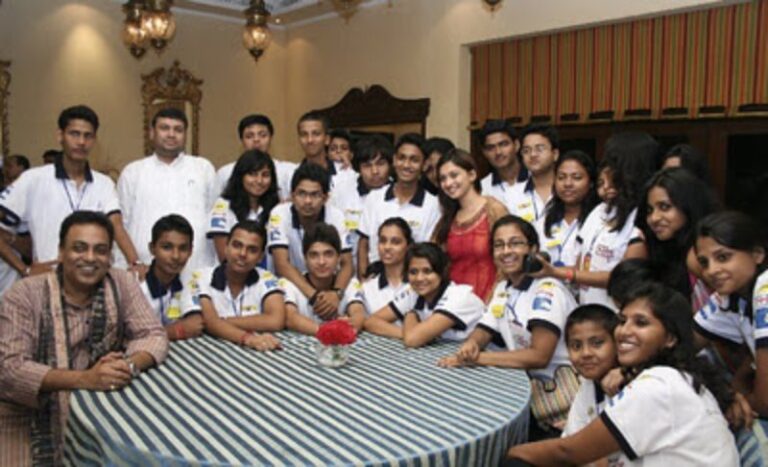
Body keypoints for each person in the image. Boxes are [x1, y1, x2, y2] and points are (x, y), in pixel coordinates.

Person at [0, 211, 168, 465]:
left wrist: (127, 365)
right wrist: (85, 379)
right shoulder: (25, 295)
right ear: (60, 252)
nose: (90, 258)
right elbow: (10, 369)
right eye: (79, 248)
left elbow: (152, 333)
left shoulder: (121, 282)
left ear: (110, 256)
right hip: (26, 418)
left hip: (99, 411)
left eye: (100, 250)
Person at [507, 282, 739, 466]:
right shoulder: (665, 378)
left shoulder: (661, 383)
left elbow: (568, 452)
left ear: (670, 338)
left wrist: (510, 455)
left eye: (641, 323)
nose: (625, 331)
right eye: (622, 321)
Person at [438, 215, 578, 435]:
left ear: (532, 249)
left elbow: (539, 356)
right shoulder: (505, 287)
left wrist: (478, 359)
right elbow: (485, 329)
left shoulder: (547, 289)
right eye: (499, 245)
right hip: (528, 390)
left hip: (561, 401)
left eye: (515, 243)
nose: (506, 251)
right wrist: (472, 344)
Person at [0, 105, 142, 279]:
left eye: (87, 136)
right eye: (74, 134)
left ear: (94, 140)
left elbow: (117, 227)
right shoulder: (33, 179)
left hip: (94, 282)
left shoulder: (103, 184)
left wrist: (136, 263)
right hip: (49, 280)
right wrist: (25, 270)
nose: (81, 142)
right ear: (60, 136)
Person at [531, 132, 657, 309]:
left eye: (613, 161)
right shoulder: (599, 212)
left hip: (619, 314)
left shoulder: (642, 218)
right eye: (601, 182)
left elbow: (624, 279)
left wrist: (558, 272)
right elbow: (582, 262)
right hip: (587, 308)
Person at [118, 107, 218, 273]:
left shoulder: (203, 168)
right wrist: (132, 264)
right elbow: (121, 224)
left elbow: (215, 220)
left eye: (178, 129)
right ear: (152, 133)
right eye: (164, 128)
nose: (171, 134)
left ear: (185, 135)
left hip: (197, 271)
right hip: (144, 273)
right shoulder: (133, 172)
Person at [693, 211, 768, 418]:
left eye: (723, 257)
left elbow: (765, 402)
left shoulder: (766, 286)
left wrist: (733, 402)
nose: (712, 270)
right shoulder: (731, 296)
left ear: (757, 254)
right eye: (704, 262)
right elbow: (683, 344)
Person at [267, 163, 353, 316]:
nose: (307, 201)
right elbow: (281, 264)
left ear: (325, 197)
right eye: (302, 194)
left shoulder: (336, 216)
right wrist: (314, 296)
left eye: (314, 195)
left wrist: (336, 293)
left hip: (328, 290)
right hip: (291, 288)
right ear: (292, 195)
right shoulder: (279, 213)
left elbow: (347, 263)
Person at [184, 221, 285, 351]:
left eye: (252, 250)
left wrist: (221, 322)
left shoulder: (266, 278)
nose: (243, 254)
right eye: (237, 246)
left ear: (260, 257)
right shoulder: (200, 277)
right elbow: (210, 322)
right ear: (226, 248)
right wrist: (249, 338)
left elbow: (276, 320)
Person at [364, 242, 484, 347]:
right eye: (413, 272)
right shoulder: (412, 292)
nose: (419, 278)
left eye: (427, 271)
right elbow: (371, 322)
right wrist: (406, 332)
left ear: (442, 272)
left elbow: (412, 340)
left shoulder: (458, 296)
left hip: (489, 360)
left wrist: (410, 315)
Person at [357, 133, 440, 276]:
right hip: (375, 279)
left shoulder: (434, 205)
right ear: (394, 160)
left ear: (424, 164)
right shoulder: (375, 198)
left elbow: (432, 251)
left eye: (414, 160)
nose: (406, 165)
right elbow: (363, 244)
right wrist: (364, 279)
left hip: (414, 282)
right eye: (402, 158)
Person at [637, 167, 719, 309]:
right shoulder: (665, 247)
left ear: (688, 206)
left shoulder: (696, 255)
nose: (654, 218)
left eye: (664, 207)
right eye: (650, 210)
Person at [432, 148, 508, 301]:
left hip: (489, 302)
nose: (448, 183)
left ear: (472, 175)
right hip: (453, 305)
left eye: (454, 175)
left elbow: (508, 260)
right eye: (443, 178)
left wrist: (494, 301)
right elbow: (432, 259)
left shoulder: (494, 210)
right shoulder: (447, 219)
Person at [284, 223, 366, 334]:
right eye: (314, 255)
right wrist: (327, 330)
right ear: (305, 259)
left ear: (338, 257)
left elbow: (358, 314)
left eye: (328, 254)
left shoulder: (351, 284)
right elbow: (290, 318)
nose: (321, 262)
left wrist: (351, 324)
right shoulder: (290, 285)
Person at [334, 134, 393, 271]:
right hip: (344, 271)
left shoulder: (399, 194)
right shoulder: (341, 191)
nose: (375, 171)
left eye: (380, 164)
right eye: (367, 166)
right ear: (358, 168)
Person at [209, 150, 279, 263]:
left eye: (265, 175)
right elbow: (225, 257)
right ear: (240, 176)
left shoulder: (277, 209)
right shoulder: (223, 207)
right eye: (252, 174)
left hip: (269, 278)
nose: (259, 181)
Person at [561, 304, 619, 440]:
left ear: (617, 344)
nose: (585, 353)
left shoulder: (632, 387)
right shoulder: (588, 385)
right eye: (576, 346)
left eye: (597, 343)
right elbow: (571, 438)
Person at [140, 214, 203, 341]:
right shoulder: (136, 285)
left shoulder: (188, 279)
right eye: (167, 247)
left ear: (191, 251)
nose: (175, 256)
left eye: (183, 248)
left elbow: (196, 324)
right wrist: (175, 331)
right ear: (152, 249)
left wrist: (154, 334)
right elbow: (131, 337)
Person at [535, 150, 597, 268]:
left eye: (577, 178)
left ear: (591, 183)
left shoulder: (598, 220)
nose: (567, 183)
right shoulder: (544, 221)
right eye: (561, 177)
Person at [216, 114, 296, 200]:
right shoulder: (225, 173)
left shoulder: (288, 171)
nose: (256, 140)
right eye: (249, 136)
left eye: (263, 135)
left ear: (271, 138)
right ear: (242, 140)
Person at [296, 111, 356, 200]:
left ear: (327, 139)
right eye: (304, 134)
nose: (309, 140)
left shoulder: (346, 174)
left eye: (316, 134)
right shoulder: (292, 174)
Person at [508, 124, 559, 222]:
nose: (533, 154)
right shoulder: (513, 194)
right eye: (526, 150)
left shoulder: (568, 190)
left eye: (539, 149)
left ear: (555, 154)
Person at [478, 119, 526, 209]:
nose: (498, 152)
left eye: (503, 144)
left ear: (516, 145)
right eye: (491, 148)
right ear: (484, 152)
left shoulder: (536, 179)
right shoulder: (483, 188)